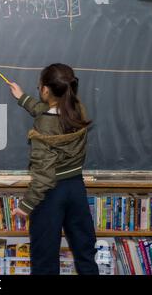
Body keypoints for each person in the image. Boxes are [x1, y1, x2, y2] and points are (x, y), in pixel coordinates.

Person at [9, 63, 99, 275]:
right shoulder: (76, 110)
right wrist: (23, 98)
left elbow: (44, 175)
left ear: (45, 90)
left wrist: (26, 206)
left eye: (39, 86)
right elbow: (46, 110)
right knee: (84, 252)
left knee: (45, 260)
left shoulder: (43, 126)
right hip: (76, 189)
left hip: (50, 194)